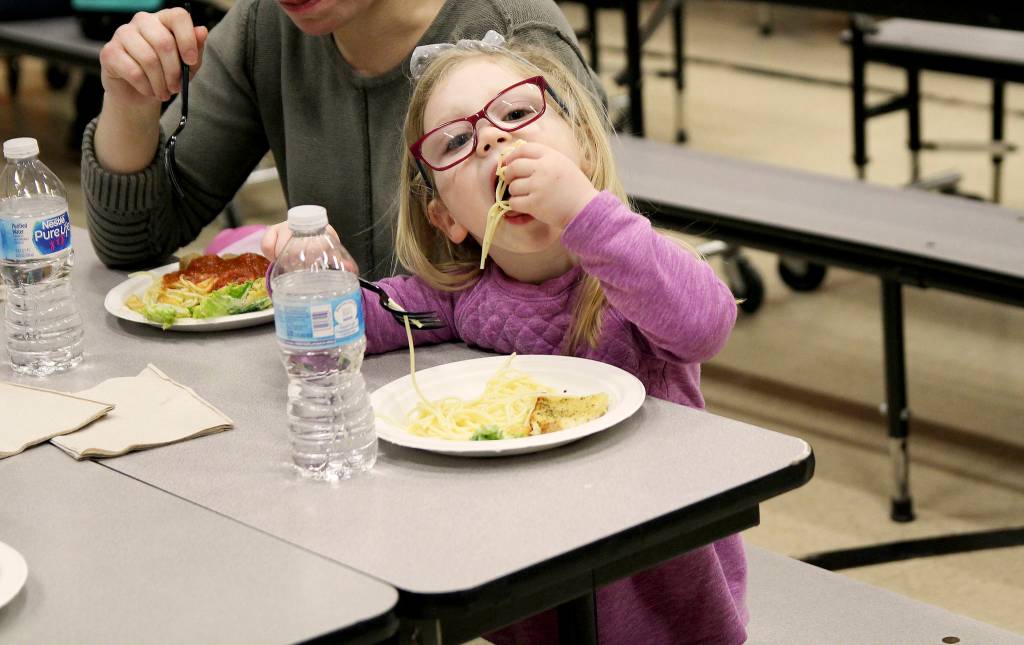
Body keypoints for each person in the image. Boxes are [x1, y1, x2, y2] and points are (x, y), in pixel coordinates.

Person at [356, 35, 745, 644]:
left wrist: (586, 213)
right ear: (448, 219)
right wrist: (305, 281)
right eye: (456, 142)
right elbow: (361, 321)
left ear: (583, 152)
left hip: (657, 591)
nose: (490, 139)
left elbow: (706, 323)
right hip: (531, 578)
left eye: (516, 114)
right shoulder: (458, 300)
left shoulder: (627, 277)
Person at [81, 0, 603, 278]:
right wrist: (129, 106)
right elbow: (134, 243)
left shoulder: (511, 30)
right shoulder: (264, 25)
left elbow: (599, 266)